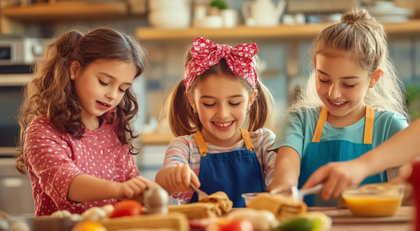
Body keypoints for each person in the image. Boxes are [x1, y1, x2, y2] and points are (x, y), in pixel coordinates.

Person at [268, 9, 410, 206]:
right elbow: (284, 180)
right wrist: (281, 195)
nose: (334, 93)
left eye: (348, 84)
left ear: (374, 78)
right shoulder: (300, 122)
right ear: (315, 66)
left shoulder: (389, 126)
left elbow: (408, 190)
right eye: (324, 79)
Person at [16, 27, 158, 216]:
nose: (113, 95)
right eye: (105, 82)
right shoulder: (42, 132)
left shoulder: (113, 127)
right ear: (75, 70)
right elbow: (67, 182)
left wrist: (146, 191)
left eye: (123, 89)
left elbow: (130, 184)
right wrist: (118, 189)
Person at [155, 37, 276, 207]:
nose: (223, 114)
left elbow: (281, 183)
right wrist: (172, 176)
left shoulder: (263, 143)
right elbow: (163, 180)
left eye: (234, 103)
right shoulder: (184, 148)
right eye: (209, 104)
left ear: (251, 99)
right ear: (191, 101)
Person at [303, 107, 420, 200]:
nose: (333, 93)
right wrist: (359, 166)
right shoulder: (303, 118)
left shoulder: (389, 122)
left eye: (349, 84)